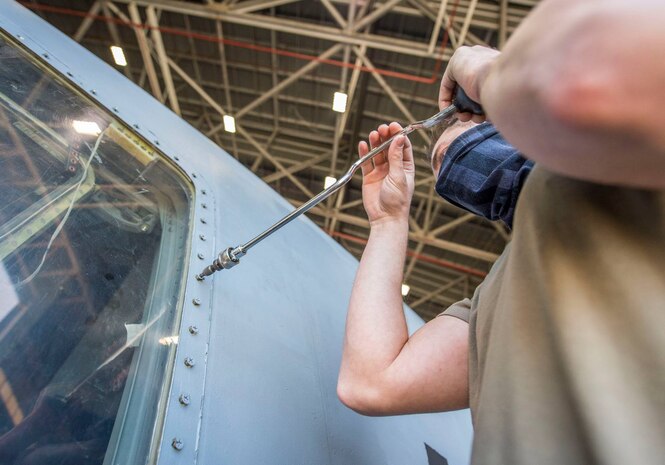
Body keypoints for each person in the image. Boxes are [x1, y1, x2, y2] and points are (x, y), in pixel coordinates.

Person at [338, 1, 665, 464]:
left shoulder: (638, 183)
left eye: (478, 119)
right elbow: (373, 380)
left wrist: (479, 66)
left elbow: (586, 81)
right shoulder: (513, 286)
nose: (462, 122)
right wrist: (388, 222)